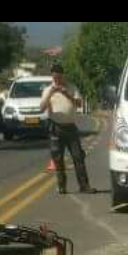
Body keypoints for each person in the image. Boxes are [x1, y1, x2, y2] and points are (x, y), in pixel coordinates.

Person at [40, 63, 91, 195]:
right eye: (54, 77)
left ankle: (84, 186)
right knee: (58, 158)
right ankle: (62, 187)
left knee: (78, 157)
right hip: (56, 128)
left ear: (63, 76)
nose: (57, 80)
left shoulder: (71, 87)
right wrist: (51, 93)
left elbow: (79, 104)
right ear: (52, 76)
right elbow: (41, 108)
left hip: (70, 128)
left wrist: (66, 94)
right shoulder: (47, 90)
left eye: (59, 77)